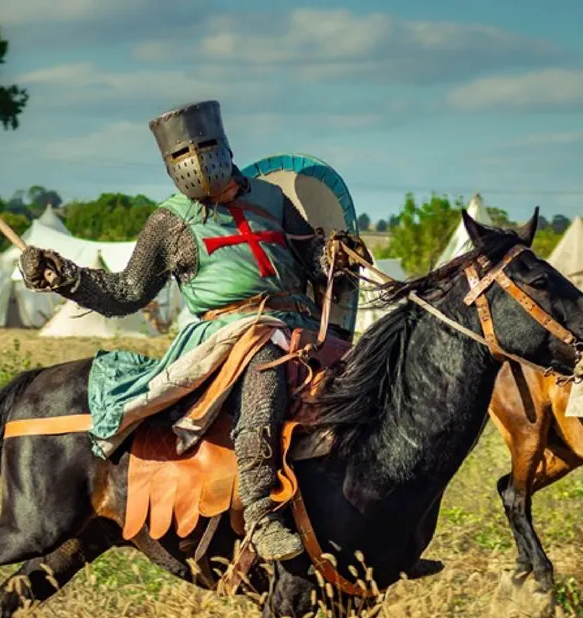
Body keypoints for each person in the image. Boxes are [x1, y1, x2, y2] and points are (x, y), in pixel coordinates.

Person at [18, 100, 367, 561]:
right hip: (230, 333)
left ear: (224, 146)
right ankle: (261, 512)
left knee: (373, 379)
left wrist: (335, 255)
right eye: (182, 156)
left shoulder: (271, 199)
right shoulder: (169, 221)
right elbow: (128, 291)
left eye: (203, 148)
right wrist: (68, 278)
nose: (197, 163)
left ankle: (379, 530)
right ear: (168, 165)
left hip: (300, 324)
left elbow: (315, 263)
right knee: (264, 361)